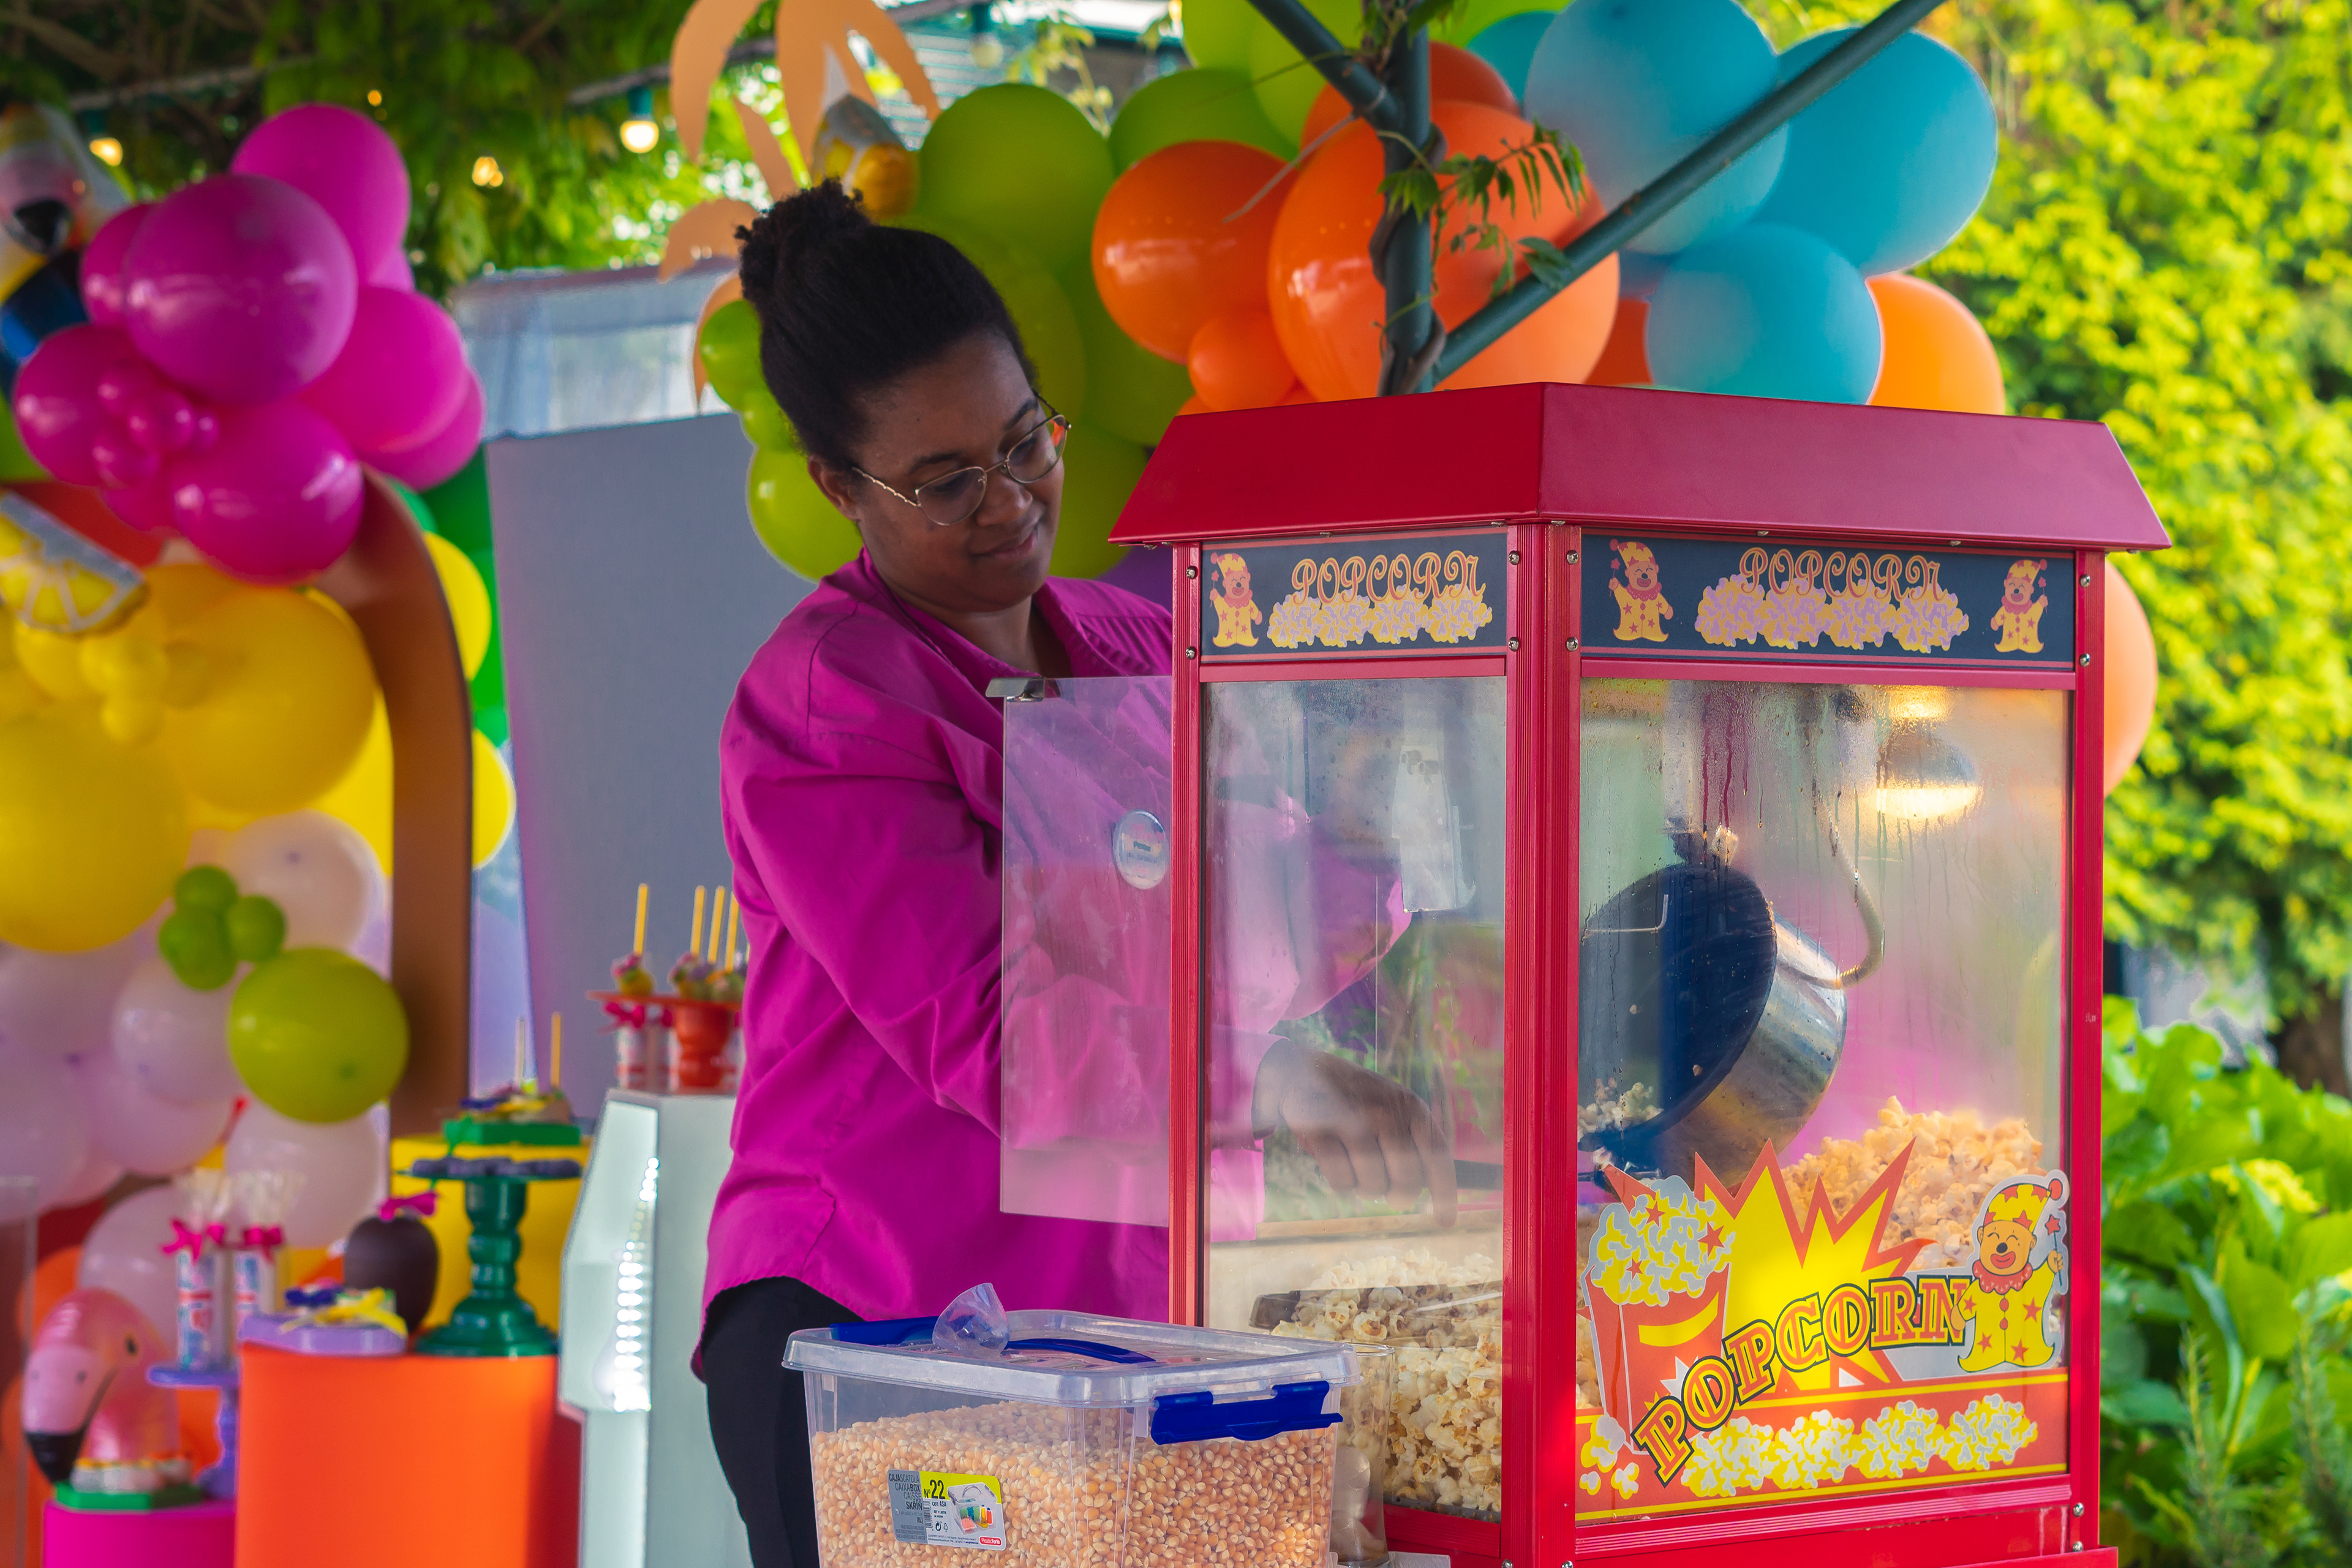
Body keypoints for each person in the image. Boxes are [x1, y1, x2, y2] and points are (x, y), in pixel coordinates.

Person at [699, 181, 1456, 1567]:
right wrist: (1271, 1080)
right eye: (944, 481)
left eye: (1022, 440)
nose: (1008, 501)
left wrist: (1372, 800)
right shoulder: (826, 704)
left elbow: (1283, 929)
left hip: (1126, 1334)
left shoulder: (1141, 646)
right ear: (837, 489)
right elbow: (996, 1035)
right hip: (885, 1324)